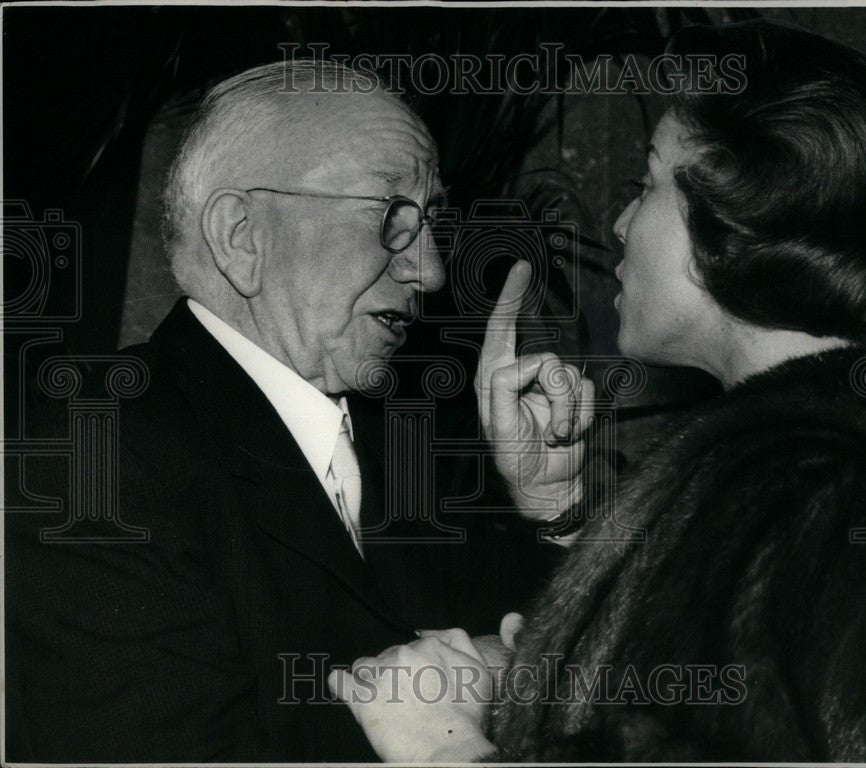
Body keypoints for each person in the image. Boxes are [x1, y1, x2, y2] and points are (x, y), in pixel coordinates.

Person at [328, 21, 866, 763]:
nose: (617, 224)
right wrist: (563, 518)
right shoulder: (839, 457)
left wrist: (438, 743)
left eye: (646, 184)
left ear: (735, 217)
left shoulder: (823, 483)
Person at [4, 60, 595, 762]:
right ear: (242, 236)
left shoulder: (415, 440)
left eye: (432, 220)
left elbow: (569, 704)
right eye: (392, 217)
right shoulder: (95, 456)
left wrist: (545, 502)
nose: (431, 270)